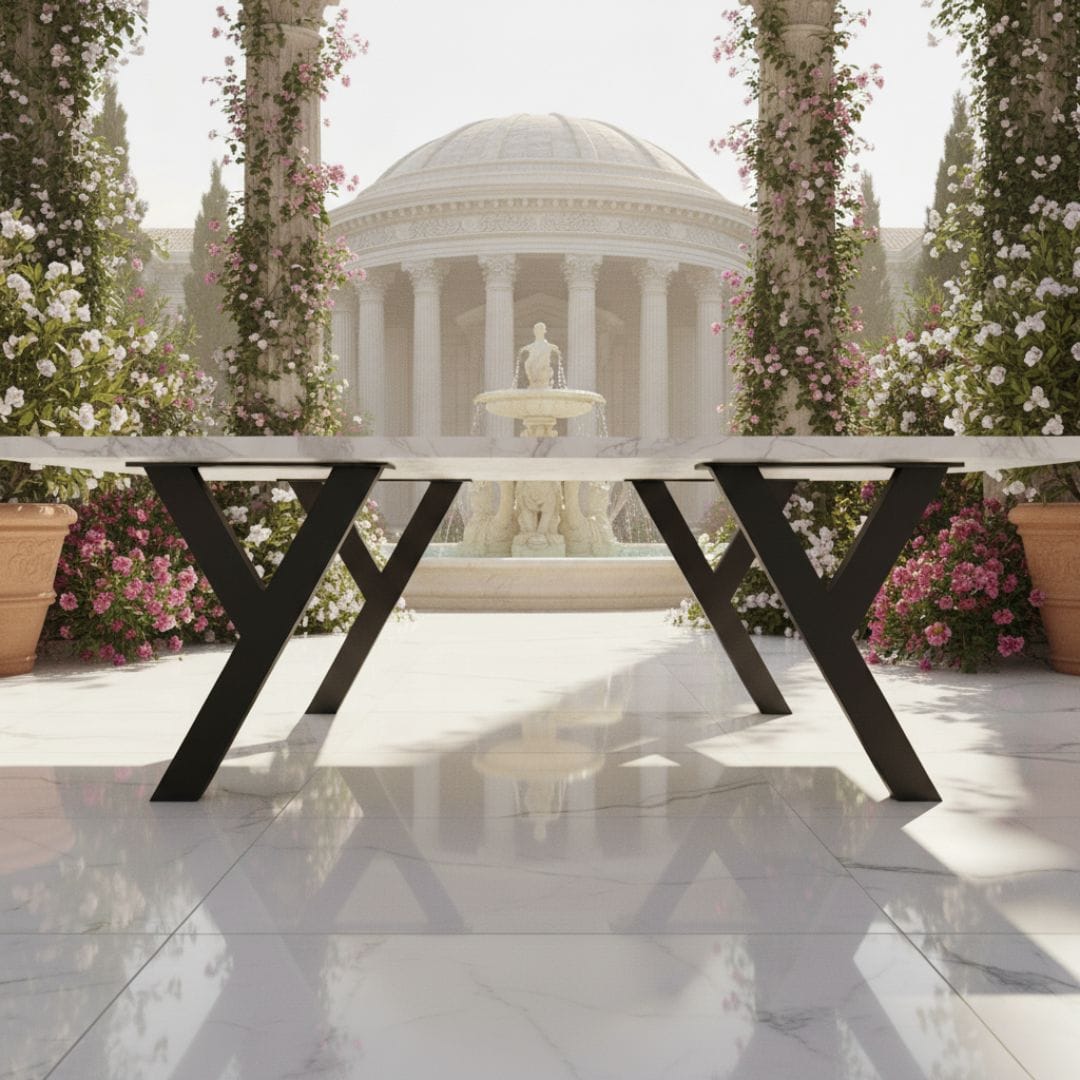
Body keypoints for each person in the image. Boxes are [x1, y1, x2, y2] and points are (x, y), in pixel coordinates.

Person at [518, 322, 561, 389]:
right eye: (536, 329)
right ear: (534, 331)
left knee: (543, 362)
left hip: (544, 371)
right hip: (532, 372)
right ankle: (533, 381)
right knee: (527, 363)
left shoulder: (549, 346)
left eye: (540, 329)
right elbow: (528, 349)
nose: (538, 331)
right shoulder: (531, 347)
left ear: (544, 331)